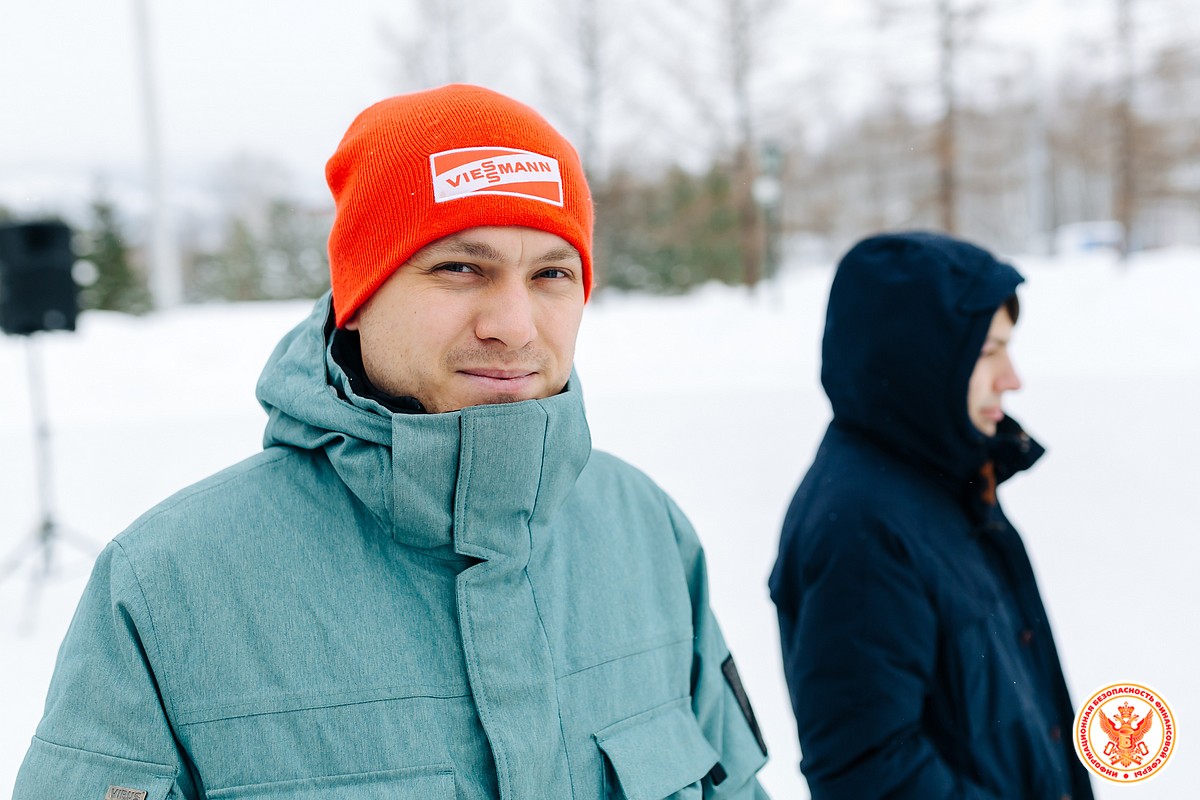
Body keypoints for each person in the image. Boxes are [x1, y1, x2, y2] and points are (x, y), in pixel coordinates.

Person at [16, 85, 769, 800]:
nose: (513, 325)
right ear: (360, 295)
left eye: (551, 273)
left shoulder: (644, 531)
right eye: (460, 268)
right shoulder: (167, 584)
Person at [769, 231, 1093, 799]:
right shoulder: (865, 527)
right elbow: (867, 773)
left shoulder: (941, 479)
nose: (1012, 378)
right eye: (988, 352)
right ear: (920, 360)